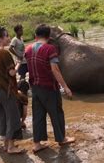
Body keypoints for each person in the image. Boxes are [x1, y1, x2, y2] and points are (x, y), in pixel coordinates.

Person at [25, 24, 75, 153]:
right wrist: (65, 87)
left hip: (35, 88)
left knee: (38, 115)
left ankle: (37, 143)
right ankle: (61, 138)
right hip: (49, 87)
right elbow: (55, 69)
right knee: (56, 113)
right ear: (48, 37)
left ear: (36, 36)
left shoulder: (28, 49)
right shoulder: (50, 49)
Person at [0, 25, 24, 153]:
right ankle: (11, 147)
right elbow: (12, 73)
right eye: (6, 36)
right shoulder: (4, 52)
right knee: (12, 116)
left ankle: (5, 144)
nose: (9, 38)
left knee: (2, 116)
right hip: (6, 89)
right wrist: (19, 63)